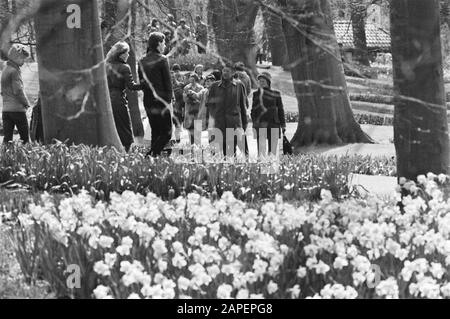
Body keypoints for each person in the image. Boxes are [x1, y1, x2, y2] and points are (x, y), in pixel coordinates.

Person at [139, 32, 173, 157]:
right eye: (163, 43)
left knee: (155, 131)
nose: (164, 45)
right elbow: (168, 83)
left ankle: (153, 161)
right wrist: (168, 101)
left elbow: (142, 83)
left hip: (147, 100)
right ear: (158, 43)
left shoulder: (141, 60)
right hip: (161, 100)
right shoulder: (162, 59)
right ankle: (151, 155)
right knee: (167, 133)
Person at [106, 41, 143, 152]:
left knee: (113, 127)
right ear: (121, 54)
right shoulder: (124, 67)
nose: (128, 55)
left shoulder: (105, 66)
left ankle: (114, 152)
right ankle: (126, 153)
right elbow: (131, 86)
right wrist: (145, 85)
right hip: (118, 100)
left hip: (106, 100)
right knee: (125, 127)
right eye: (127, 53)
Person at [206, 65, 248, 158]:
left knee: (232, 151)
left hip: (234, 123)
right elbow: (210, 105)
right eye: (224, 71)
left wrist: (244, 123)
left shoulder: (239, 86)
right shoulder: (214, 86)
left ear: (233, 73)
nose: (225, 73)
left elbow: (242, 105)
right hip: (219, 123)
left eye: (227, 71)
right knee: (220, 151)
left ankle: (233, 170)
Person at [251, 72, 286, 157]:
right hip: (260, 124)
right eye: (259, 81)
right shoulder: (256, 94)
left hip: (274, 123)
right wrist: (254, 123)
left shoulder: (276, 93)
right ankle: (262, 167)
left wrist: (283, 124)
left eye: (263, 81)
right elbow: (253, 110)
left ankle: (272, 168)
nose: (260, 83)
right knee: (261, 151)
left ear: (268, 82)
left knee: (272, 151)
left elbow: (280, 110)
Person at [1, 44, 30, 144]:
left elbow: (2, 91)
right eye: (23, 59)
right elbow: (18, 90)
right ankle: (25, 159)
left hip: (6, 110)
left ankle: (5, 159)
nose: (24, 61)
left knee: (7, 140)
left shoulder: (5, 70)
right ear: (16, 57)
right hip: (17, 110)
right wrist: (26, 103)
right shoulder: (14, 71)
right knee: (25, 139)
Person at [183, 73, 204, 145]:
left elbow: (201, 99)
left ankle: (198, 146)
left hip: (198, 111)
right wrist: (193, 99)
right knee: (190, 130)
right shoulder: (186, 88)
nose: (192, 79)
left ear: (196, 79)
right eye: (191, 78)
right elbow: (185, 99)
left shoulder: (201, 88)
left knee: (198, 131)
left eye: (193, 78)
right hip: (189, 111)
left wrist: (193, 98)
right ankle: (191, 146)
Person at [171, 64, 185, 143]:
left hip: (178, 108)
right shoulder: (166, 86)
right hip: (169, 108)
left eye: (173, 76)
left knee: (177, 124)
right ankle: (172, 140)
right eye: (171, 77)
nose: (172, 78)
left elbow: (183, 97)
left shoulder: (181, 85)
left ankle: (177, 140)